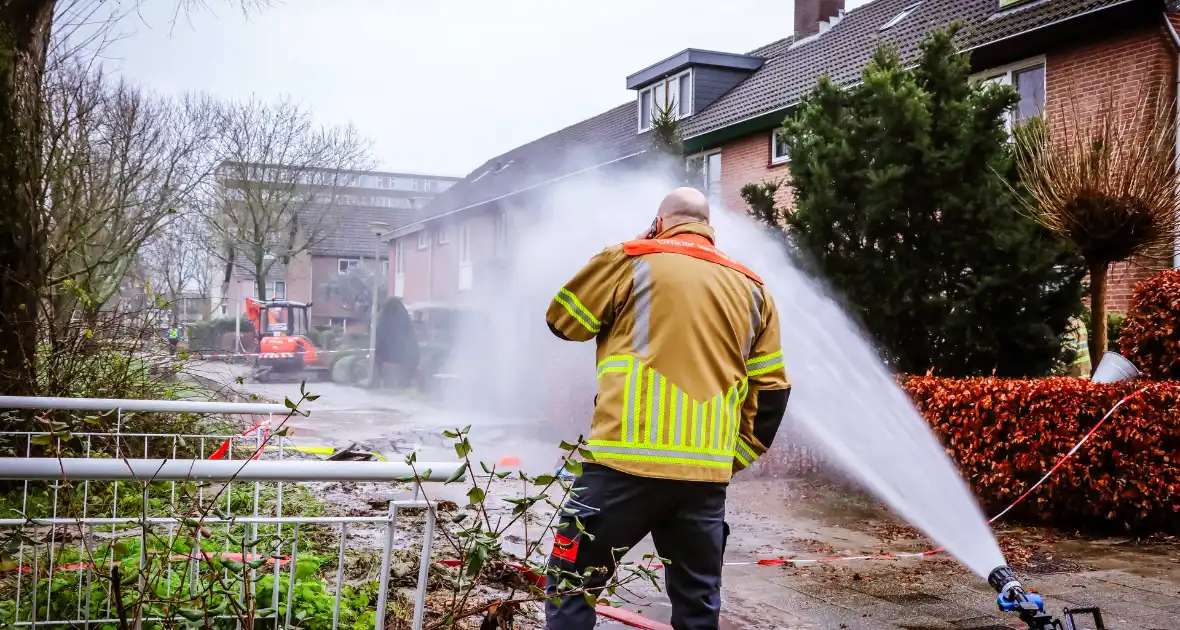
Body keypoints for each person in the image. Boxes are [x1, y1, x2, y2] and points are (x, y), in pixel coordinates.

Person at [543, 187, 791, 630]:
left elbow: (563, 322)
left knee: (571, 584)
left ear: (660, 222)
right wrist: (732, 458)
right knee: (697, 610)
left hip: (622, 465)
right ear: (709, 229)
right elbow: (771, 393)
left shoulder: (630, 259)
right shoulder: (754, 290)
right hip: (703, 480)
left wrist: (636, 247)